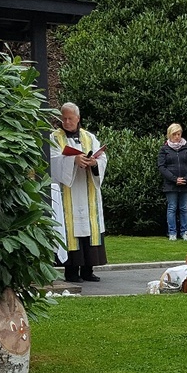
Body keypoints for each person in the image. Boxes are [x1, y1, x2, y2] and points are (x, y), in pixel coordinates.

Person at [50, 102, 108, 283]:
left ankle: (88, 270)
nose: (67, 122)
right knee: (71, 230)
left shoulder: (89, 137)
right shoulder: (54, 138)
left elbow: (102, 158)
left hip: (88, 189)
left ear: (78, 118)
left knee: (90, 229)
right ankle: (72, 271)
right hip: (67, 192)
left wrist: (94, 163)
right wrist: (73, 160)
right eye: (64, 119)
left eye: (70, 118)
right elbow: (53, 160)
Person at [158, 122, 187, 242]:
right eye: (174, 134)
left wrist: (186, 178)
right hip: (170, 184)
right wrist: (174, 179)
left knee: (184, 208)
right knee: (172, 208)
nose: (177, 137)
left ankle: (185, 232)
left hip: (185, 183)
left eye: (179, 134)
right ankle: (172, 232)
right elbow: (162, 167)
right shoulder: (164, 149)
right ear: (169, 135)